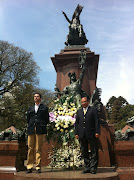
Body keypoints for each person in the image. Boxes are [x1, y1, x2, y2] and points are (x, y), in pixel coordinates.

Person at [75, 97, 100, 174]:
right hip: (82, 134)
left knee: (94, 150)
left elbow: (97, 121)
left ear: (88, 102)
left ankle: (93, 168)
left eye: (85, 102)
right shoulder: (79, 111)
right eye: (82, 102)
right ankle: (87, 167)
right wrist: (76, 133)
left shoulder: (93, 109)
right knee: (84, 151)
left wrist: (97, 131)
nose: (84, 103)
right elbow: (77, 123)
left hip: (92, 133)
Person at [26, 93, 49, 173]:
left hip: (40, 129)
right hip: (31, 129)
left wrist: (42, 125)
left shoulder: (44, 108)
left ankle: (38, 167)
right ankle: (29, 166)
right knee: (30, 148)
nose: (36, 98)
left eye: (37, 96)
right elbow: (28, 118)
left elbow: (47, 119)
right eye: (35, 97)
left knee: (38, 148)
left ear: (40, 98)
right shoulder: (30, 108)